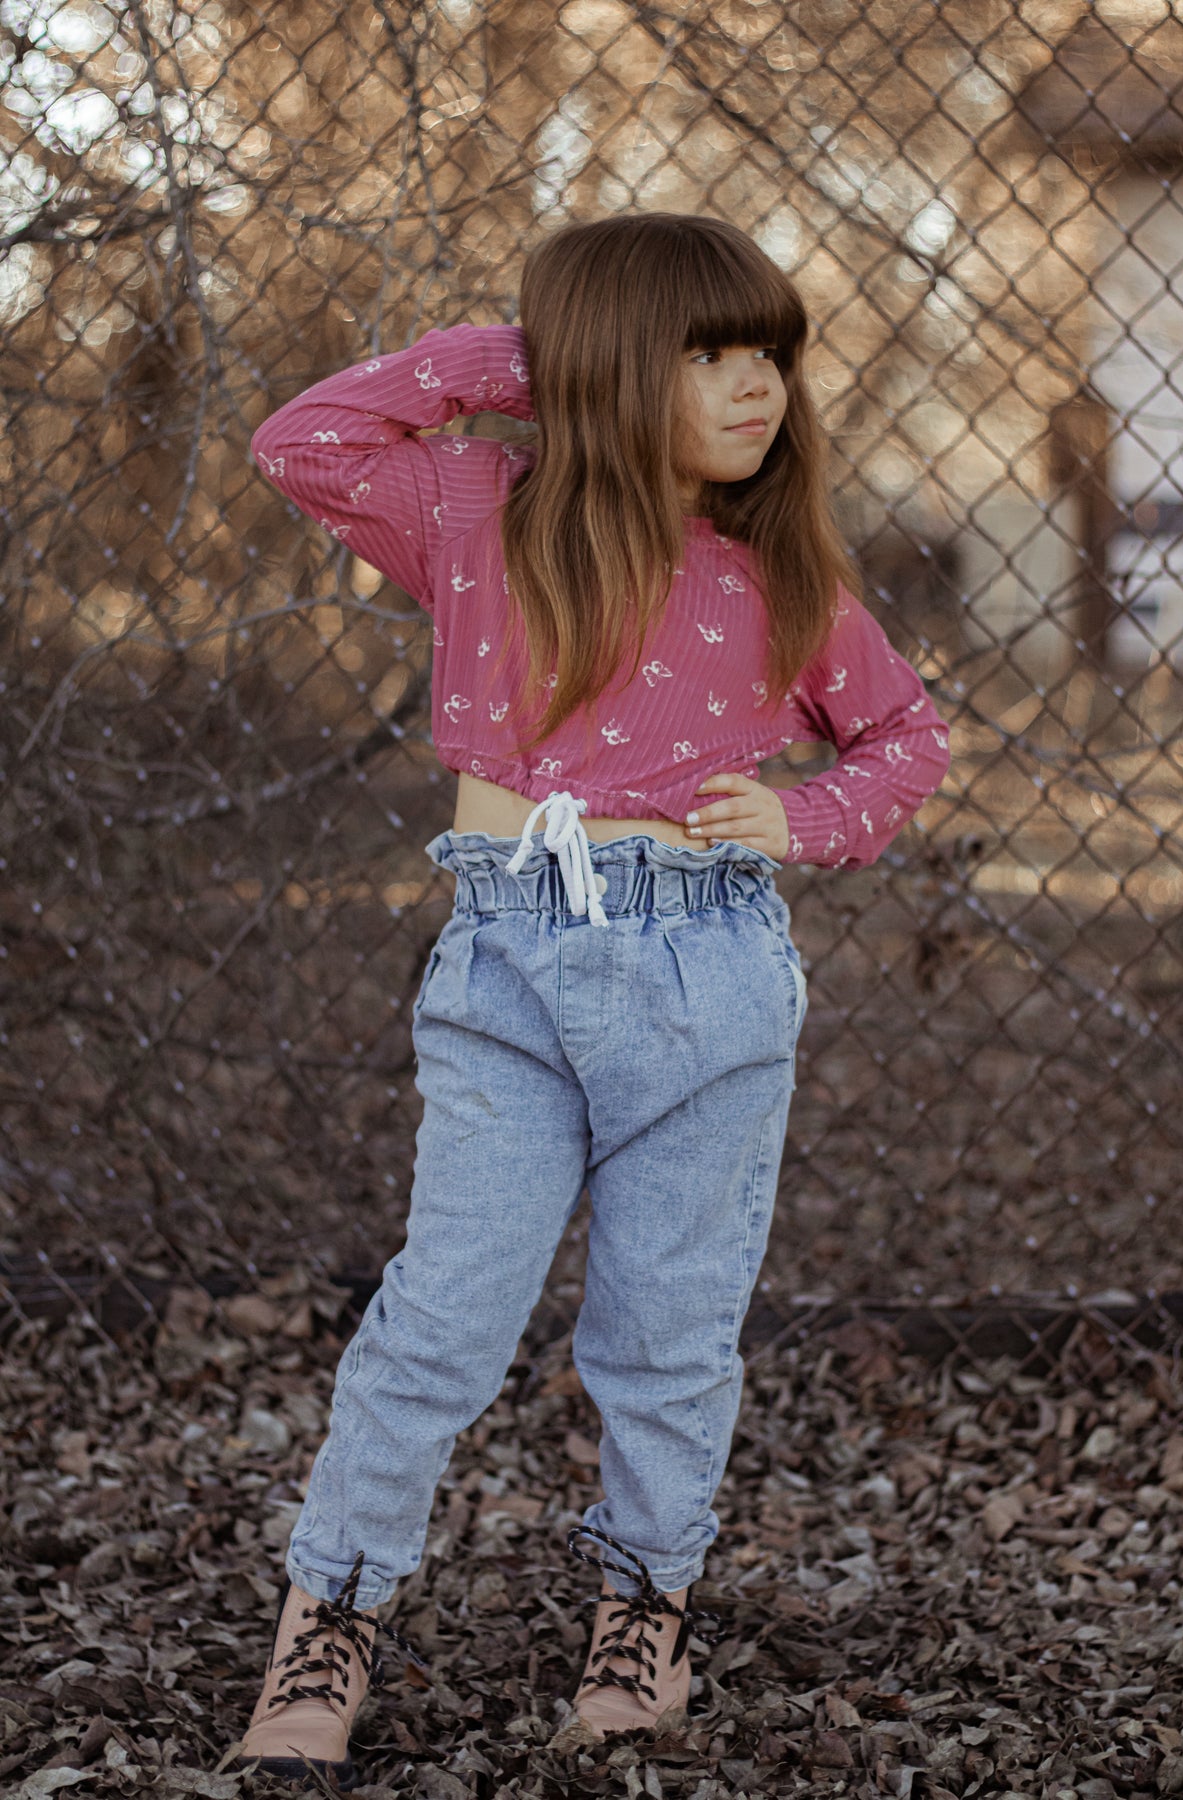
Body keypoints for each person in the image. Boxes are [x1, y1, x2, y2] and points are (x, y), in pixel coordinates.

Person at [230, 211, 952, 1784]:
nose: (756, 386)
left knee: (666, 1333)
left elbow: (908, 739)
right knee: (442, 1320)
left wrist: (810, 818)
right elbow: (303, 441)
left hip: (708, 977)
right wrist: (536, 365)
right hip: (508, 964)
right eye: (708, 356)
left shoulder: (778, 571)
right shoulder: (473, 510)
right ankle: (330, 1617)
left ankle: (645, 1616)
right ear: (613, 369)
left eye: (769, 355)